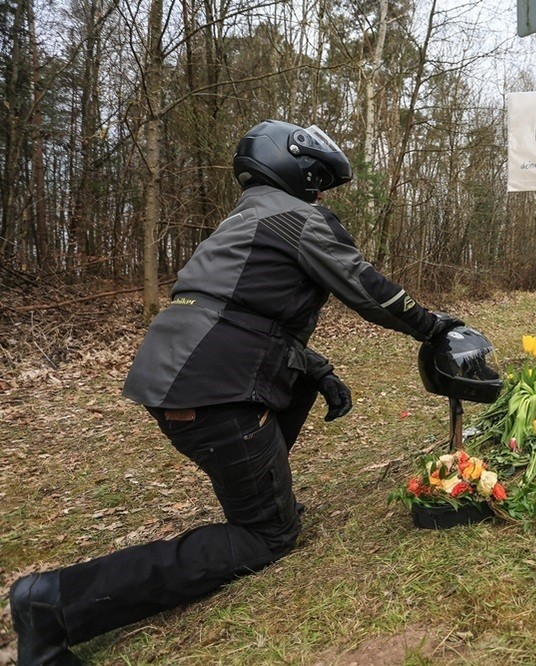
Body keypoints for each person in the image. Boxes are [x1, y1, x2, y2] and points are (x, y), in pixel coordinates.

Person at [8, 120, 466, 665]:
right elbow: (367, 287)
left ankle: (264, 493)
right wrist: (432, 326)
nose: (321, 194)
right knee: (268, 537)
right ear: (291, 170)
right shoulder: (297, 218)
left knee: (300, 387)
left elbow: (241, 314)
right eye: (317, 180)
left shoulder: (245, 220)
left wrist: (316, 368)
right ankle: (53, 603)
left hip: (184, 376)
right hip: (213, 391)